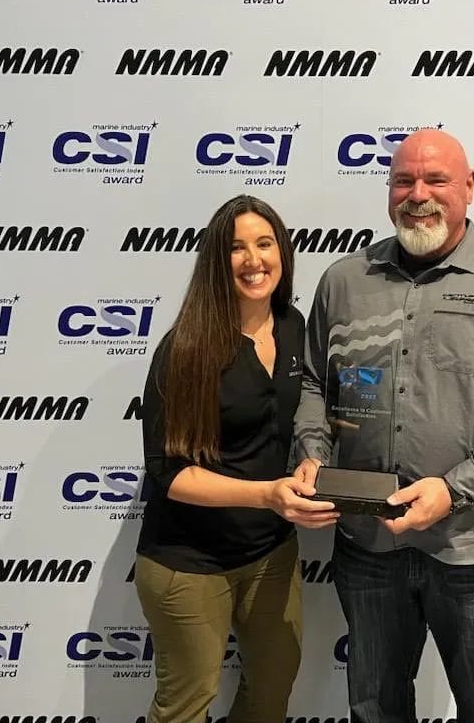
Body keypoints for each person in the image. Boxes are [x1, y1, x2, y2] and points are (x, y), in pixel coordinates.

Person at [294, 129, 474, 723]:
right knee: (374, 708)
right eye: (403, 180)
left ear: (470, 188)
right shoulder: (344, 281)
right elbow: (311, 383)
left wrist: (455, 489)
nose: (418, 195)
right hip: (368, 543)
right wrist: (312, 455)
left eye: (436, 180)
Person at [135, 195, 338, 723]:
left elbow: (308, 416)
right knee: (185, 705)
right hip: (188, 561)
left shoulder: (296, 327)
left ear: (282, 252)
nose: (254, 260)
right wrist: (265, 494)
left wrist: (310, 461)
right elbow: (168, 471)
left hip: (270, 553)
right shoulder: (186, 348)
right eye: (236, 248)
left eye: (265, 243)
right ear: (215, 261)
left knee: (271, 692)